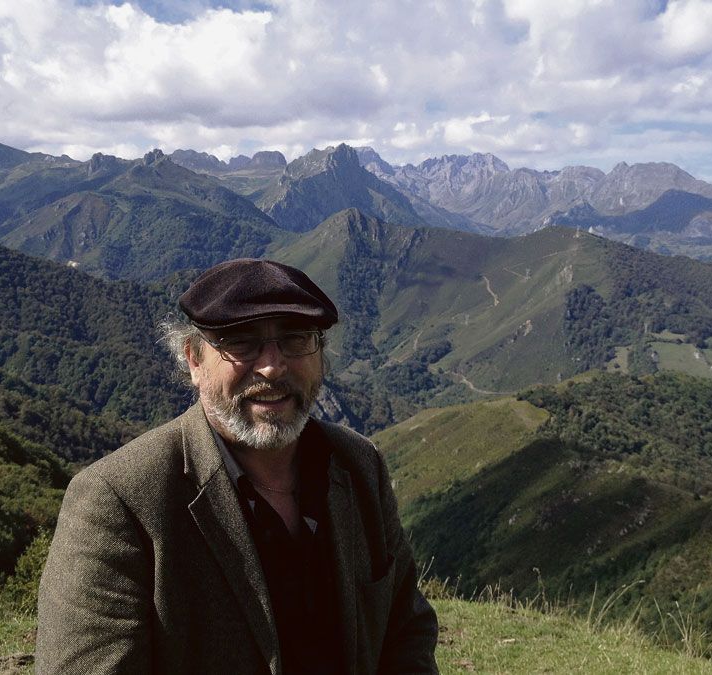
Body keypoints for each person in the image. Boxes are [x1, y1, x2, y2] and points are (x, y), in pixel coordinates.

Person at [36, 258, 439, 674]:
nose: (271, 366)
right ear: (194, 359)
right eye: (241, 342)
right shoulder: (118, 501)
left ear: (319, 354)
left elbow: (406, 631)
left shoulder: (359, 466)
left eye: (296, 339)